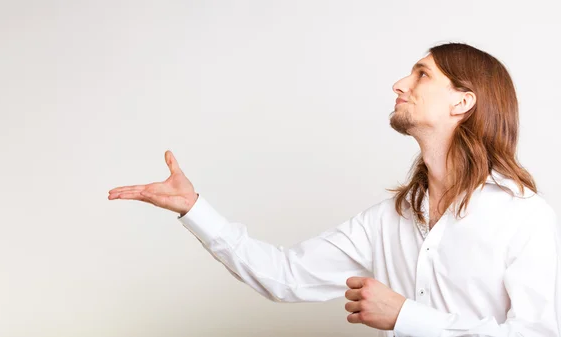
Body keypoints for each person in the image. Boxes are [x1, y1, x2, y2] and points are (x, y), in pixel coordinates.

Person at [108, 42, 561, 337]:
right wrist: (194, 209)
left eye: (422, 75)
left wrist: (405, 316)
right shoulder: (388, 220)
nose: (399, 84)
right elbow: (284, 277)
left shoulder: (524, 217)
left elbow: (539, 333)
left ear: (462, 102)